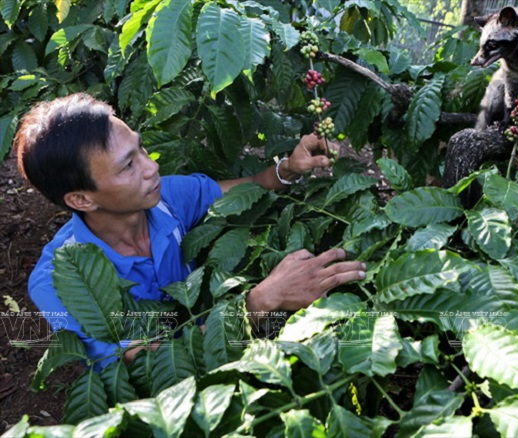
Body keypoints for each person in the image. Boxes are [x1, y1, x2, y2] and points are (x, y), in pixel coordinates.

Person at [14, 93, 366, 371]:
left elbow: (249, 188)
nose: (152, 167)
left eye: (141, 149)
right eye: (128, 165)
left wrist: (289, 169)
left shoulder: (165, 197)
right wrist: (259, 302)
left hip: (210, 335)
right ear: (80, 198)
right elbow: (144, 362)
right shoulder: (57, 281)